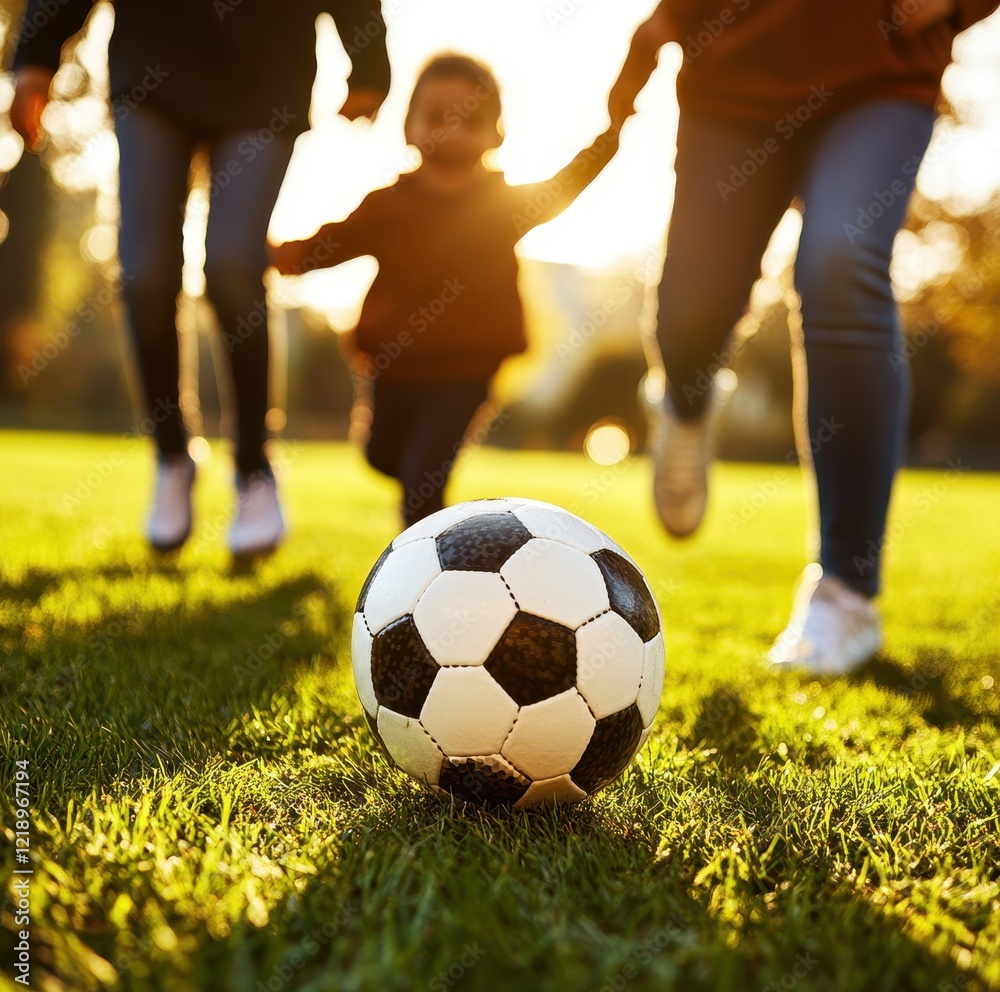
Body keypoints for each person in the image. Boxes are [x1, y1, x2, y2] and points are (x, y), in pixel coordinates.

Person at [610, 0, 998, 672]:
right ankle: (686, 401)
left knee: (841, 263)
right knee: (691, 319)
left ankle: (846, 592)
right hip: (732, 76)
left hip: (880, 66)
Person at [10, 1, 390, 554]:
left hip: (266, 74)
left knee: (234, 266)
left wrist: (369, 61)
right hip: (154, 63)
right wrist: (36, 57)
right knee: (145, 273)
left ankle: (255, 470)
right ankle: (172, 457)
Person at [270, 54, 642, 527]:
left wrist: (610, 137)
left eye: (469, 121)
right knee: (382, 457)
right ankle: (419, 512)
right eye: (435, 118)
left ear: (495, 134)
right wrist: (271, 257)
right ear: (409, 126)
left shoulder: (503, 205)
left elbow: (564, 185)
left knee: (423, 475)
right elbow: (328, 245)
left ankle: (427, 572)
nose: (450, 132)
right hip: (394, 367)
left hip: (467, 369)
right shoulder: (387, 206)